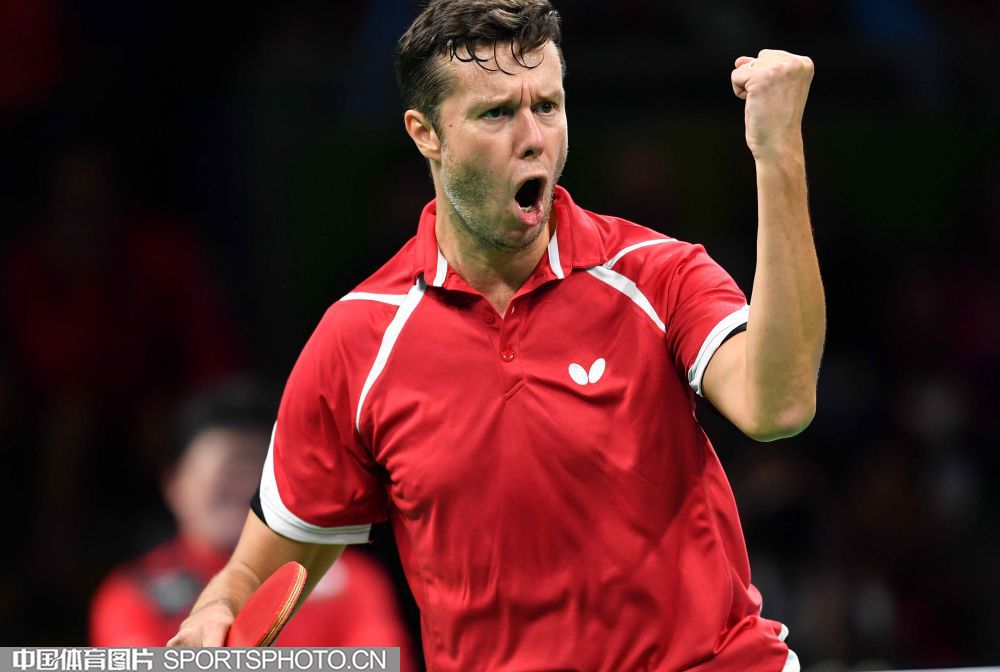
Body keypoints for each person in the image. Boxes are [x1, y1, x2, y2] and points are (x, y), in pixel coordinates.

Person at [169, 2, 824, 670]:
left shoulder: (655, 275)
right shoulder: (359, 339)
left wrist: (778, 155)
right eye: (496, 114)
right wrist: (215, 609)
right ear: (426, 134)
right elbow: (257, 571)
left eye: (547, 106)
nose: (534, 138)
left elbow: (778, 405)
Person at [91, 380, 416, 666]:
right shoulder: (134, 595)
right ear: (173, 484)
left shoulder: (351, 581)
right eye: (226, 477)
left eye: (260, 478)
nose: (245, 491)